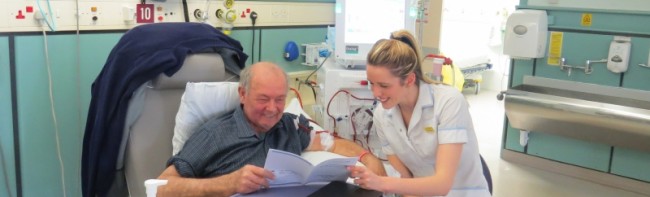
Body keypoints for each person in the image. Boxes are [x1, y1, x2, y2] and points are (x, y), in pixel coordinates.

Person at [157, 62, 386, 196]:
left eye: (279, 99)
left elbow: (331, 143)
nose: (272, 109)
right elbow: (161, 187)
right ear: (243, 95)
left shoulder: (289, 125)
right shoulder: (214, 134)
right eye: (263, 99)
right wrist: (229, 183)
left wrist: (368, 158)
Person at [346, 30, 491, 197]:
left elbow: (442, 185)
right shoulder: (382, 115)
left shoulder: (449, 102)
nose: (376, 93)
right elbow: (406, 180)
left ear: (409, 80)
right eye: (372, 83)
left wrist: (379, 182)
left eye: (384, 86)